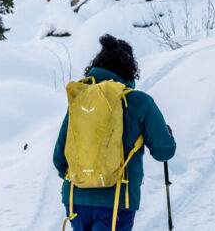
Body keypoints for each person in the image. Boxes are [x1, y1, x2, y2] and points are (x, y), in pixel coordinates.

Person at [53, 34, 176, 231]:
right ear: (129, 68)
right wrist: (168, 137)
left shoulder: (79, 101)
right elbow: (164, 151)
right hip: (118, 199)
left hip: (76, 199)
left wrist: (86, 176)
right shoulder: (139, 102)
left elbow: (60, 159)